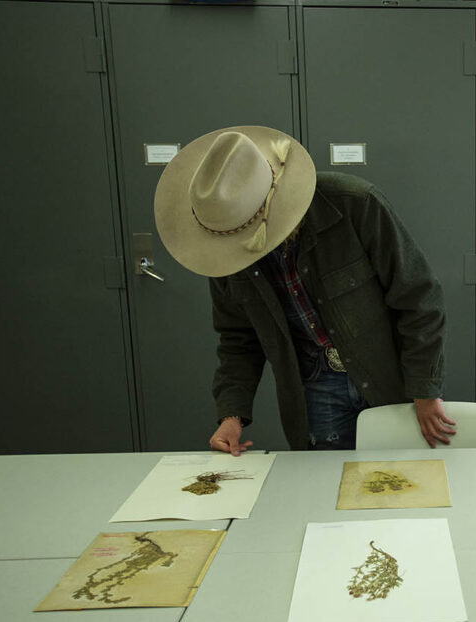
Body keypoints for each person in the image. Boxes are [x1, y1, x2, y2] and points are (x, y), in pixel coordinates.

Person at [153, 125, 456, 453]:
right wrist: (232, 414)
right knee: (325, 491)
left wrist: (425, 389)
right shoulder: (224, 248)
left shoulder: (356, 204)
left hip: (385, 375)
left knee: (402, 485)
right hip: (314, 387)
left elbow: (419, 298)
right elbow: (238, 339)